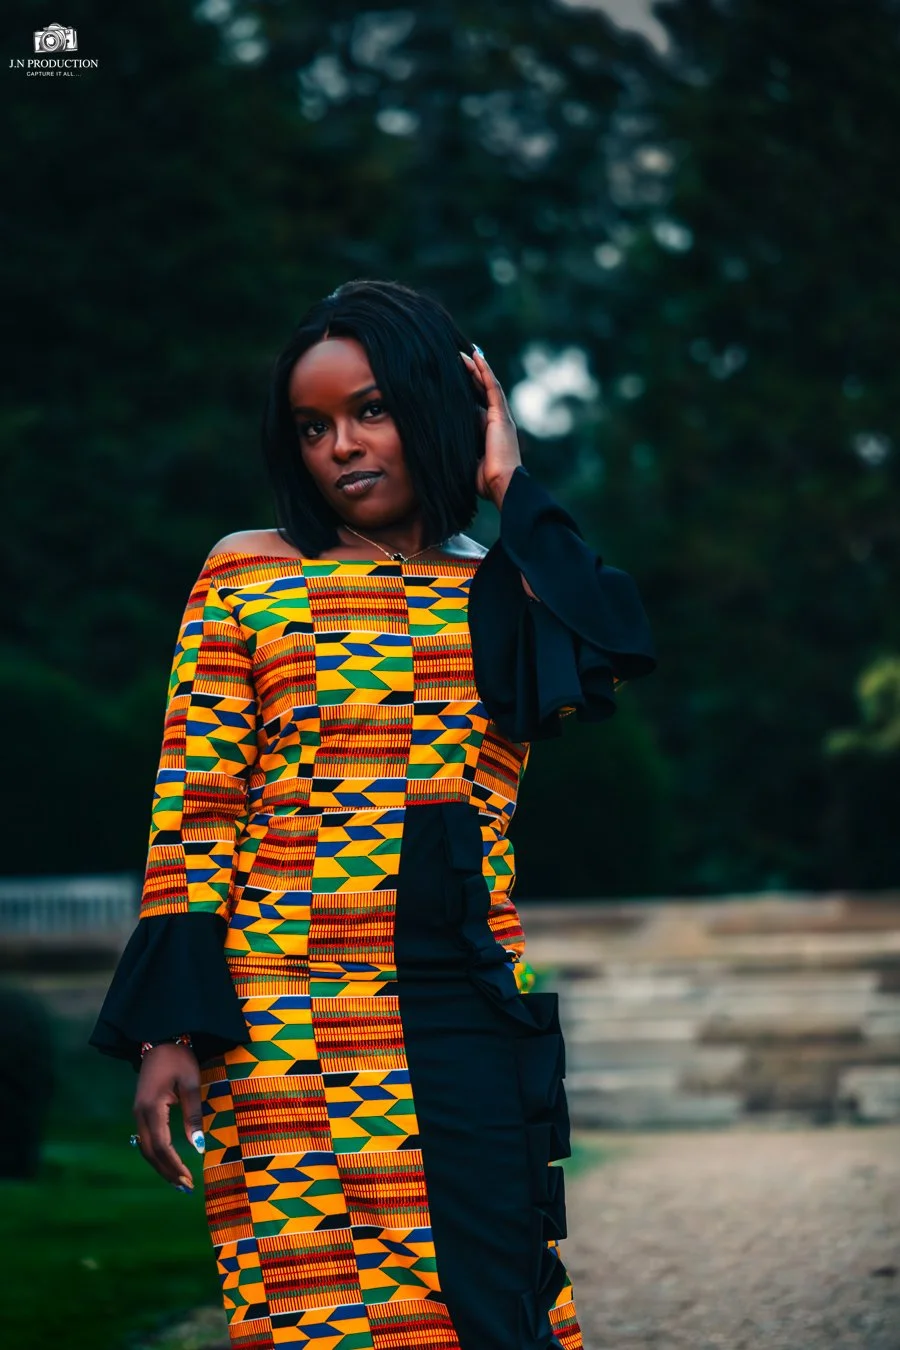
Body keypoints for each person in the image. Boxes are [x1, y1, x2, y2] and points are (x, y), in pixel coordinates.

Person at [90, 278, 657, 1350]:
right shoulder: (247, 574)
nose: (343, 446)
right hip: (283, 1003)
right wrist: (169, 1026)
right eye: (314, 427)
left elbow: (615, 641)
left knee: (503, 1304)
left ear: (437, 408)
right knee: (323, 1315)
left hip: (465, 991)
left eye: (373, 410)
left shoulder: (508, 589)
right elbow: (197, 805)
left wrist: (506, 480)